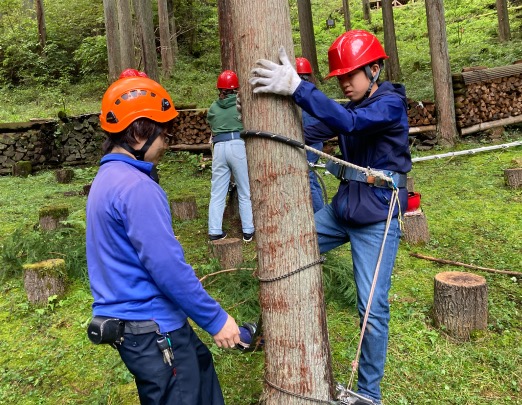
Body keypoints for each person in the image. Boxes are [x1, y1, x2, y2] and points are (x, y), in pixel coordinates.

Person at [249, 30, 411, 405]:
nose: (343, 82)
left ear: (373, 69)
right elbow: (306, 130)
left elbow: (352, 124)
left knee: (372, 308)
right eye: (339, 77)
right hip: (343, 211)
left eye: (349, 75)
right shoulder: (352, 108)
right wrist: (259, 110)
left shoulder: (389, 105)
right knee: (290, 250)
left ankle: (369, 395)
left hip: (377, 219)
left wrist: (298, 89)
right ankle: (267, 329)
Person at [86, 74, 241, 405]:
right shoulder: (137, 188)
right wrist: (216, 319)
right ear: (141, 130)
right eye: (164, 134)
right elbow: (167, 266)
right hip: (154, 330)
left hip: (138, 329)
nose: (166, 145)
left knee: (201, 373)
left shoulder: (107, 179)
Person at [207, 70, 255, 242]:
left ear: (220, 88)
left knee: (217, 192)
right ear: (236, 88)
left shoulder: (213, 107)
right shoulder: (241, 104)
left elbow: (211, 122)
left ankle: (214, 230)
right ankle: (248, 230)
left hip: (219, 147)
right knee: (244, 189)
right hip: (238, 145)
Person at [296, 57, 324, 213]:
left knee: (308, 178)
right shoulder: (313, 92)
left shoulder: (298, 95)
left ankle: (319, 214)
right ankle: (321, 211)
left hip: (308, 141)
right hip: (315, 141)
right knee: (312, 177)